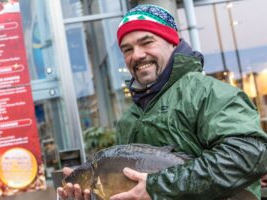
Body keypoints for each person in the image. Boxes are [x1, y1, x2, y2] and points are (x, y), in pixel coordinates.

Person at [58, 4, 267, 200]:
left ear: (172, 42)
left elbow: (250, 154)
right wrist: (92, 189)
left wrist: (157, 187)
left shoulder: (208, 93)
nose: (137, 55)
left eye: (147, 42)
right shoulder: (129, 119)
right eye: (127, 49)